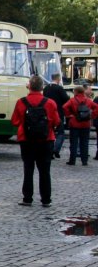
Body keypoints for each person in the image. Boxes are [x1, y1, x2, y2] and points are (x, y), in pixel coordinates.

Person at [10, 75, 60, 206]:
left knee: (28, 169)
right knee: (45, 170)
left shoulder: (21, 102)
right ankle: (46, 199)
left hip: (26, 139)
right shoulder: (50, 103)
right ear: (42, 87)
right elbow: (57, 121)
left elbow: (14, 121)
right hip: (46, 139)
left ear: (29, 86)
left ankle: (27, 198)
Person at [63, 84, 98, 165]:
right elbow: (96, 107)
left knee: (74, 142)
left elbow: (64, 107)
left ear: (76, 92)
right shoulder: (88, 100)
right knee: (85, 142)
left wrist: (69, 115)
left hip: (74, 123)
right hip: (85, 124)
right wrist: (92, 116)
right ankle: (84, 161)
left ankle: (72, 160)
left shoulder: (72, 100)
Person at [43, 74, 70, 158]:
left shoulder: (46, 88)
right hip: (58, 112)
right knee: (60, 133)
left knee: (50, 133)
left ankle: (49, 150)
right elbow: (66, 99)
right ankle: (56, 149)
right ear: (58, 79)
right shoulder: (59, 88)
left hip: (47, 113)